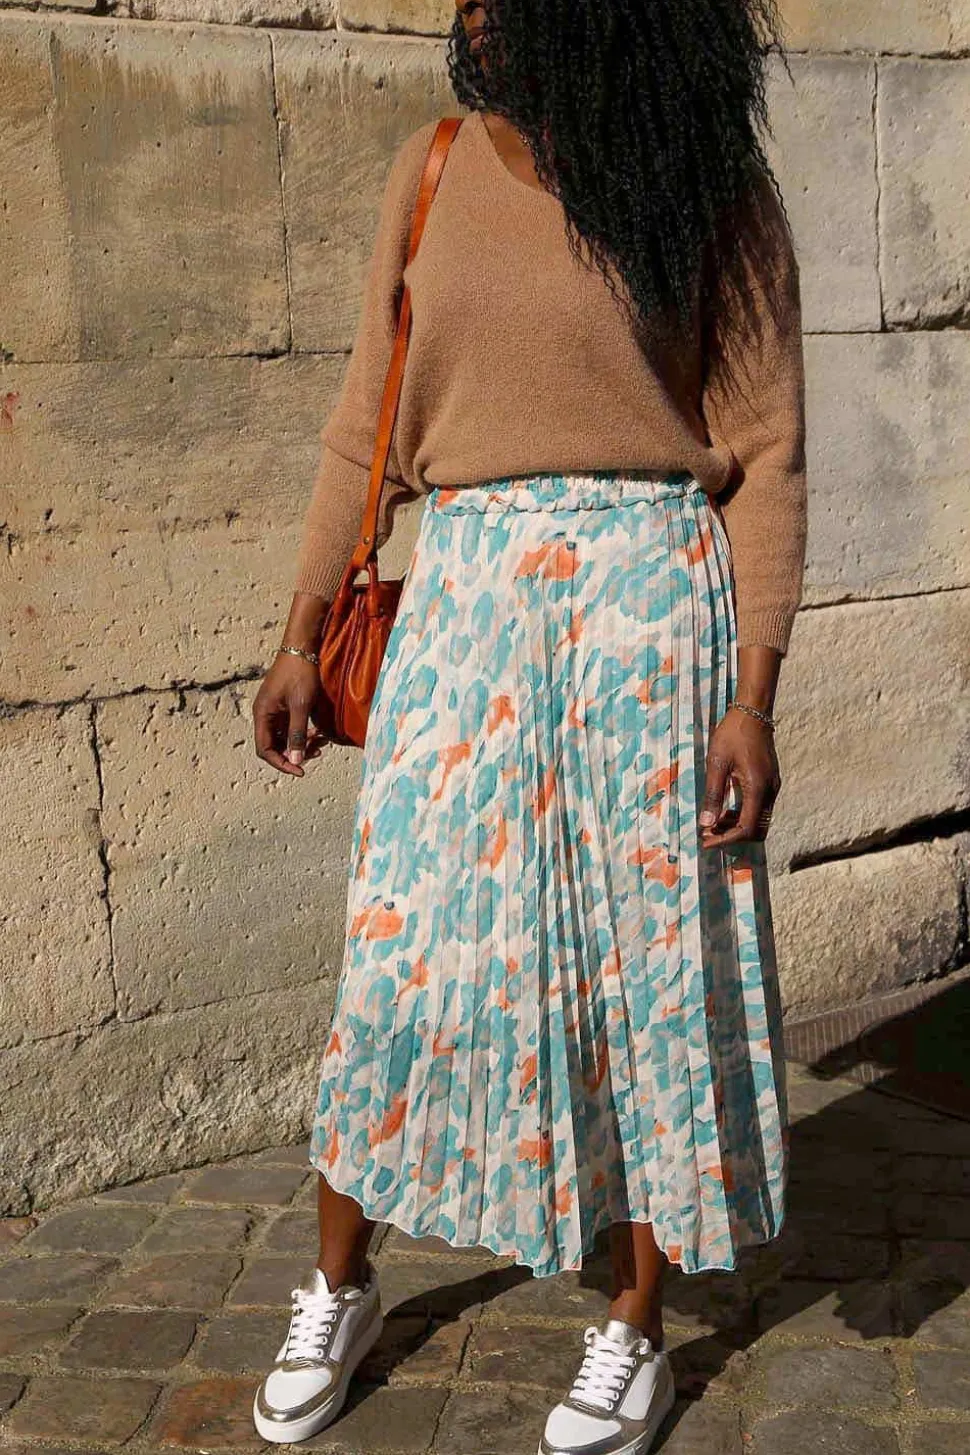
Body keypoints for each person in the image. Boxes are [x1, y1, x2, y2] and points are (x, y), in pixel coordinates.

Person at [250, 1, 806, 1451]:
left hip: (651, 620)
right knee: (402, 955)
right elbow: (365, 420)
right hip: (467, 609)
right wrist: (301, 632)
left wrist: (751, 694)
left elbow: (766, 454)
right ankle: (338, 1285)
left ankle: (634, 1328)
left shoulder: (708, 182)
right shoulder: (434, 164)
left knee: (645, 974)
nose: (475, 11)